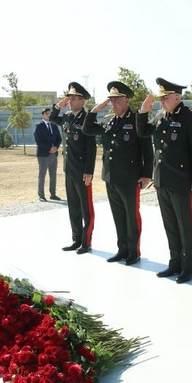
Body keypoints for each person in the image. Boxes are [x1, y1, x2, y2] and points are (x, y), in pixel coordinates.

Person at [137, 78, 192, 284]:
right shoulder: (159, 115)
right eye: (161, 98)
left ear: (177, 97)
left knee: (185, 225)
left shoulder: (190, 117)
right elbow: (142, 132)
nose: (163, 101)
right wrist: (142, 112)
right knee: (170, 225)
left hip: (182, 181)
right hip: (163, 180)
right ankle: (175, 262)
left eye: (166, 97)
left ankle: (189, 267)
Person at [82, 81, 153, 266]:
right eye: (110, 100)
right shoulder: (110, 121)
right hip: (110, 177)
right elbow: (87, 129)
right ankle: (122, 249)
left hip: (130, 177)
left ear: (126, 100)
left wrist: (147, 174)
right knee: (118, 215)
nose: (113, 103)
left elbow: (147, 150)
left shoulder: (136, 120)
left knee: (131, 215)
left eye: (116, 100)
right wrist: (95, 110)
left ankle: (133, 252)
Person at [50, 82, 97, 254]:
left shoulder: (87, 119)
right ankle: (76, 239)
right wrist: (57, 106)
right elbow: (53, 118)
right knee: (73, 206)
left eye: (73, 98)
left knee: (86, 208)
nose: (69, 101)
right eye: (69, 98)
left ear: (82, 101)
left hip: (82, 170)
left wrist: (89, 171)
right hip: (69, 169)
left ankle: (86, 242)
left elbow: (92, 147)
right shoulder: (68, 117)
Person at [34, 108, 61, 202]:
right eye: (46, 113)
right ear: (42, 114)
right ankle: (41, 195)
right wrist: (49, 148)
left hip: (54, 154)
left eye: (50, 114)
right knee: (42, 174)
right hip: (43, 154)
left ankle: (53, 194)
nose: (48, 115)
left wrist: (56, 147)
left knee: (53, 175)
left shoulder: (54, 125)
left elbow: (59, 138)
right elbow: (38, 141)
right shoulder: (39, 126)